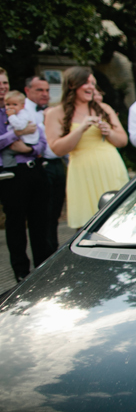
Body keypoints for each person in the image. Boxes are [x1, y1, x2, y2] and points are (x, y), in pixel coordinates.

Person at [45, 66, 129, 229]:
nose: (91, 87)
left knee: (119, 220)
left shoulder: (104, 109)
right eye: (87, 83)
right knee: (88, 225)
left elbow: (123, 141)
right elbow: (57, 149)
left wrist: (109, 132)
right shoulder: (55, 113)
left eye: (93, 83)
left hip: (110, 167)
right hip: (83, 171)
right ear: (72, 85)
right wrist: (80, 129)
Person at [0, 68, 53, 281]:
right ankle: (21, 272)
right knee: (15, 225)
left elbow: (41, 139)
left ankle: (44, 269)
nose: (2, 87)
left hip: (35, 168)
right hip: (12, 174)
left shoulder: (24, 109)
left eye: (4, 83)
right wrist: (15, 133)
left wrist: (29, 149)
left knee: (41, 222)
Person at [25, 76, 67, 252]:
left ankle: (54, 249)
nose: (45, 94)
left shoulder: (54, 111)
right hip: (40, 165)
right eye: (39, 90)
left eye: (47, 90)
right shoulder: (22, 111)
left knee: (56, 212)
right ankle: (44, 255)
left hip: (58, 163)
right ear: (27, 91)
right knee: (43, 215)